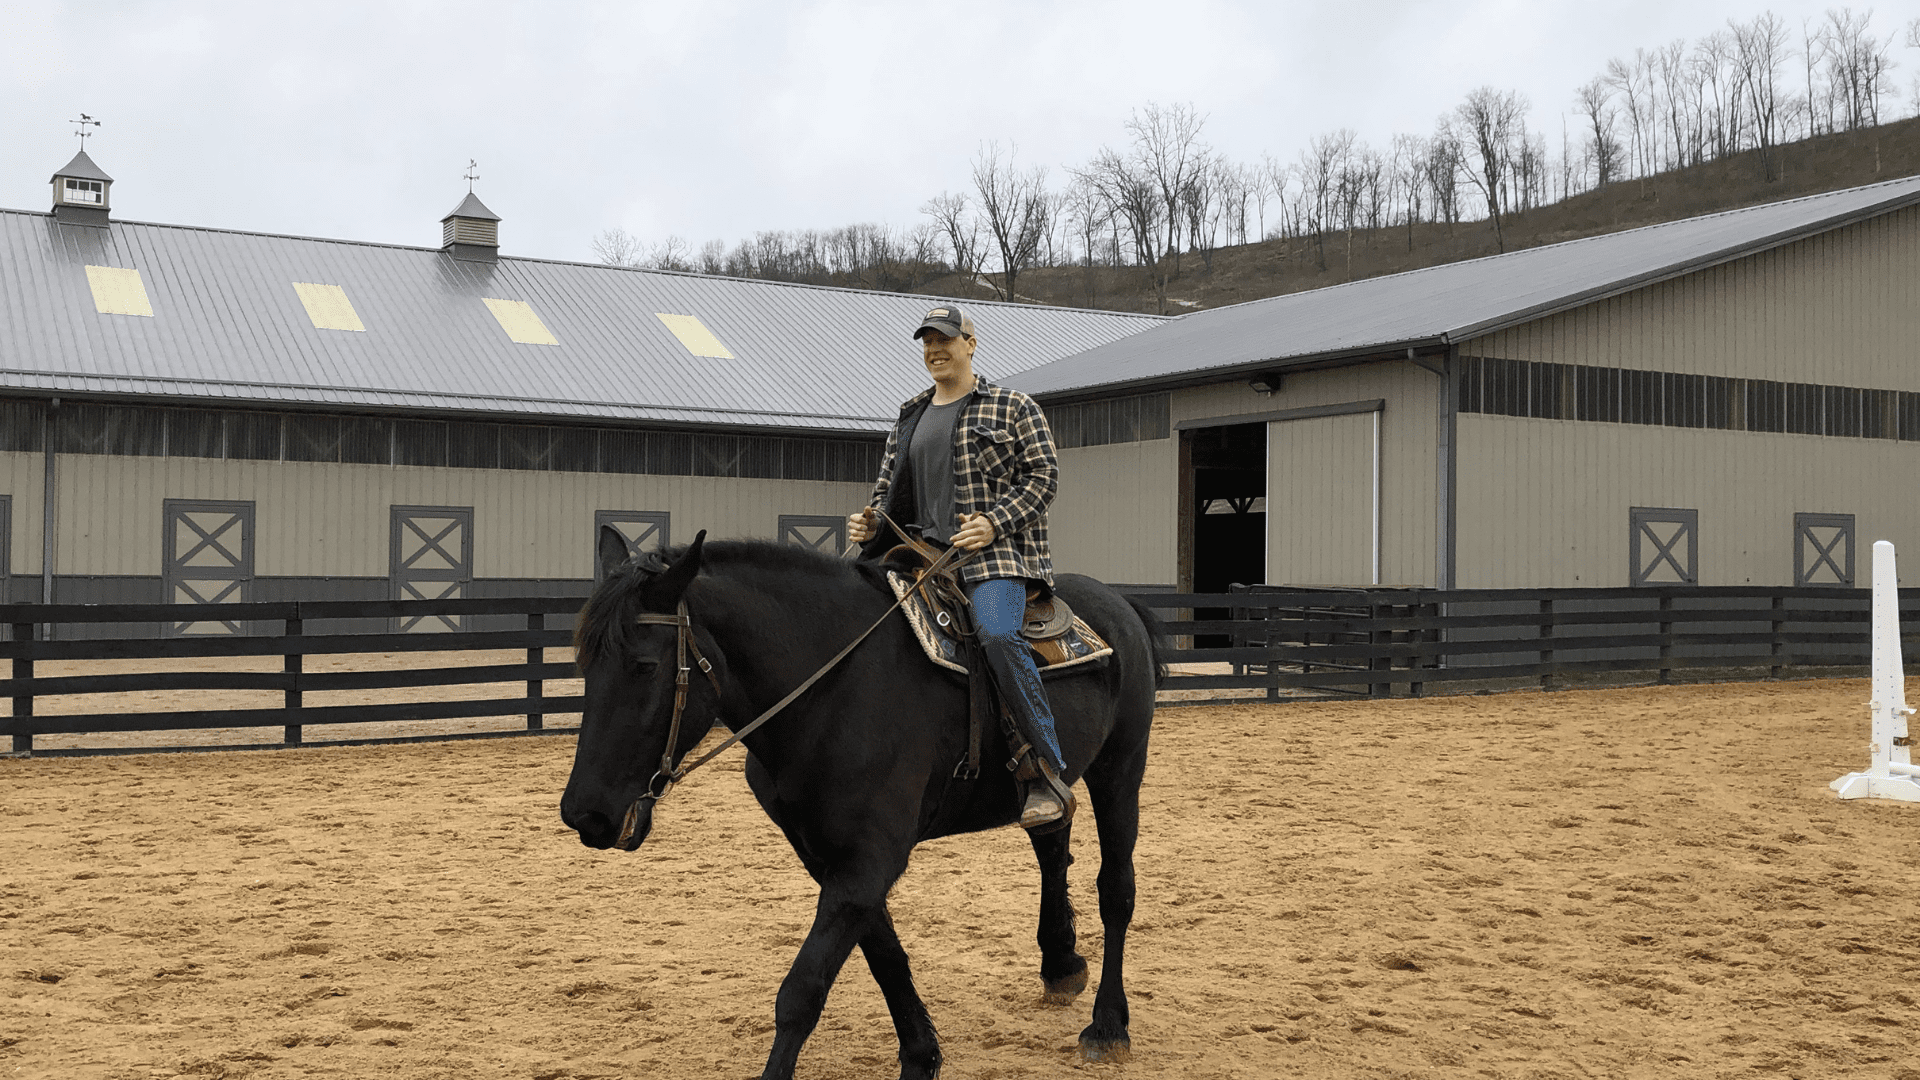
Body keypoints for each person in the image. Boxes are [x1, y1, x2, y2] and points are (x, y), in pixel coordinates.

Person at [846, 303, 1073, 830]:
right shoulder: (909, 416)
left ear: (971, 343)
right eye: (926, 341)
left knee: (996, 634)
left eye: (945, 339)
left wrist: (994, 523)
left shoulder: (1014, 407)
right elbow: (887, 494)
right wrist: (871, 524)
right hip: (918, 557)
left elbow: (1044, 479)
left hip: (994, 558)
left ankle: (1043, 771)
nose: (934, 350)